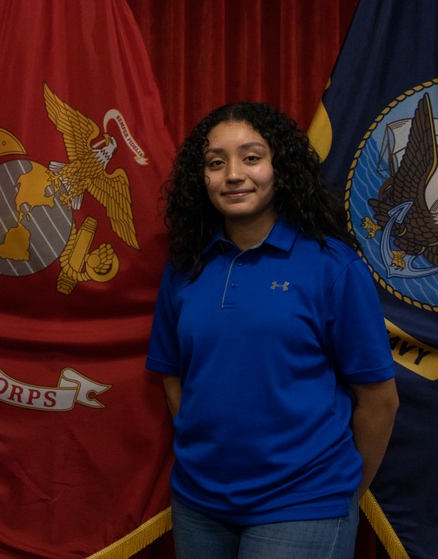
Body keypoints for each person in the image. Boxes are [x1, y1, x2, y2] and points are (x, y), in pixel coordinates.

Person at [146, 101, 399, 559]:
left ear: (279, 168)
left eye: (251, 157)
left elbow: (379, 400)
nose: (234, 174)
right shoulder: (184, 269)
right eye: (216, 163)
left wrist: (343, 494)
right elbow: (171, 374)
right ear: (200, 178)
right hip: (198, 502)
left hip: (303, 503)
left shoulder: (334, 268)